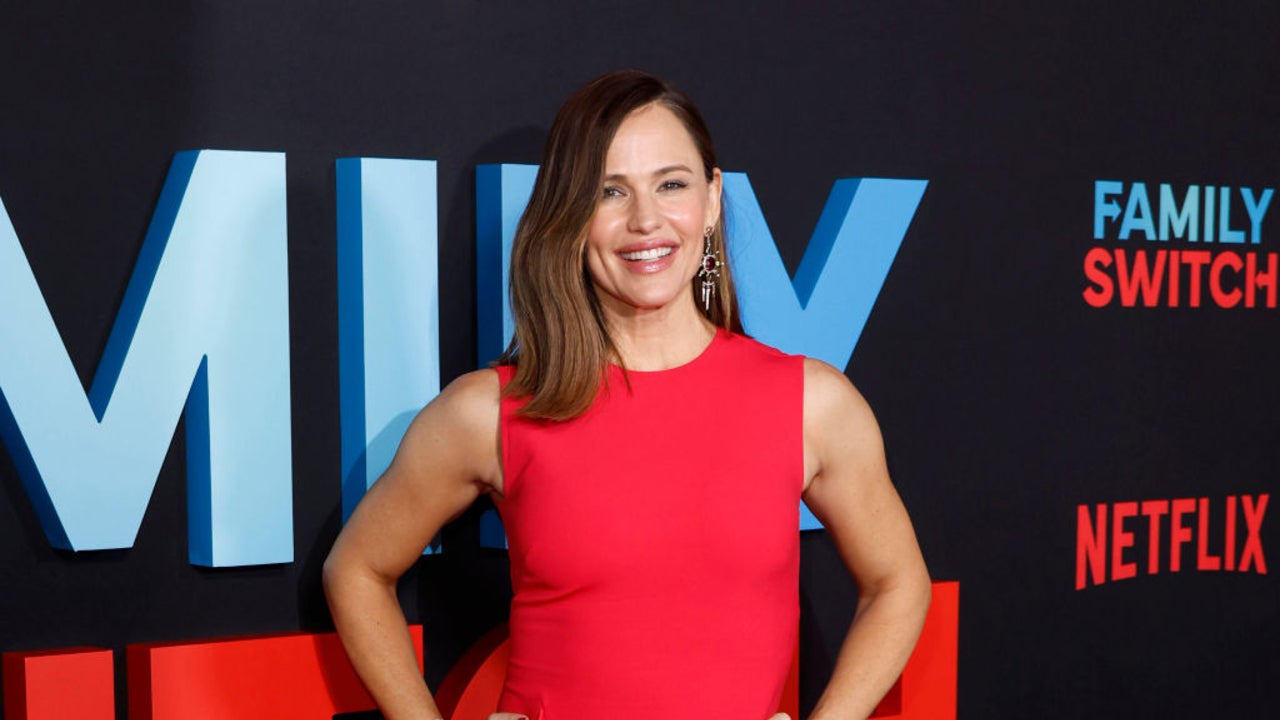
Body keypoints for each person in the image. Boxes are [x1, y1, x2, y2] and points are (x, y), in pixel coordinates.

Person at [323, 69, 931, 720]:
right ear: (570, 214)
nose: (646, 220)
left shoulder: (811, 403)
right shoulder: (491, 411)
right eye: (609, 191)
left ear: (712, 198)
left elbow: (898, 582)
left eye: (671, 184)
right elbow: (356, 569)